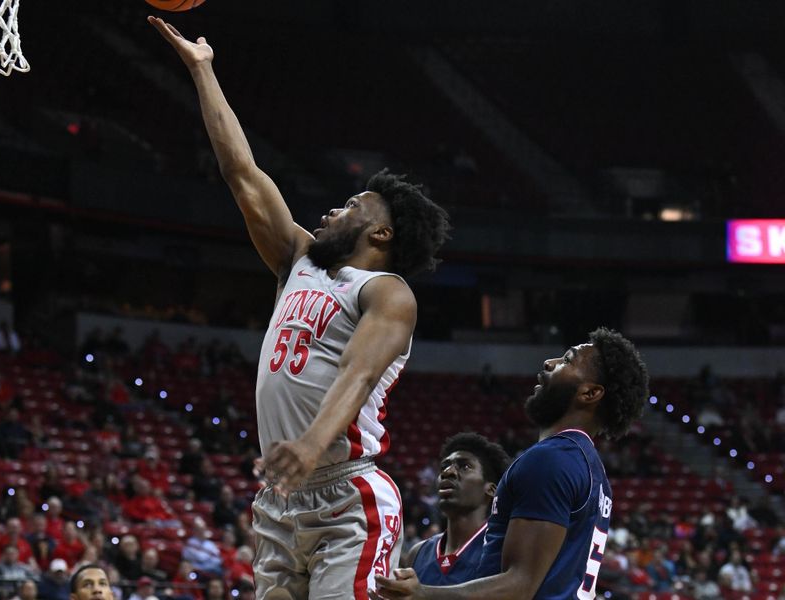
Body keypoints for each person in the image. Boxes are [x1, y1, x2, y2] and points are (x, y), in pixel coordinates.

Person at [149, 15, 450, 600]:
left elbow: (358, 374)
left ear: (382, 234)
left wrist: (312, 444)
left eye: (350, 205)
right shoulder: (300, 262)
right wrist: (203, 71)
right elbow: (242, 174)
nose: (332, 212)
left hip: (346, 493)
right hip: (281, 500)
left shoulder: (386, 292)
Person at [370, 327, 649, 600]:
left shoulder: (551, 459)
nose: (549, 362)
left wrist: (423, 594)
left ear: (590, 393)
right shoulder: (593, 471)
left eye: (567, 360)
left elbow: (519, 587)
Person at [402, 433, 510, 586]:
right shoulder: (417, 553)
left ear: (491, 489)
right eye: (444, 467)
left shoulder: (503, 547)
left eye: (465, 466)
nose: (447, 472)